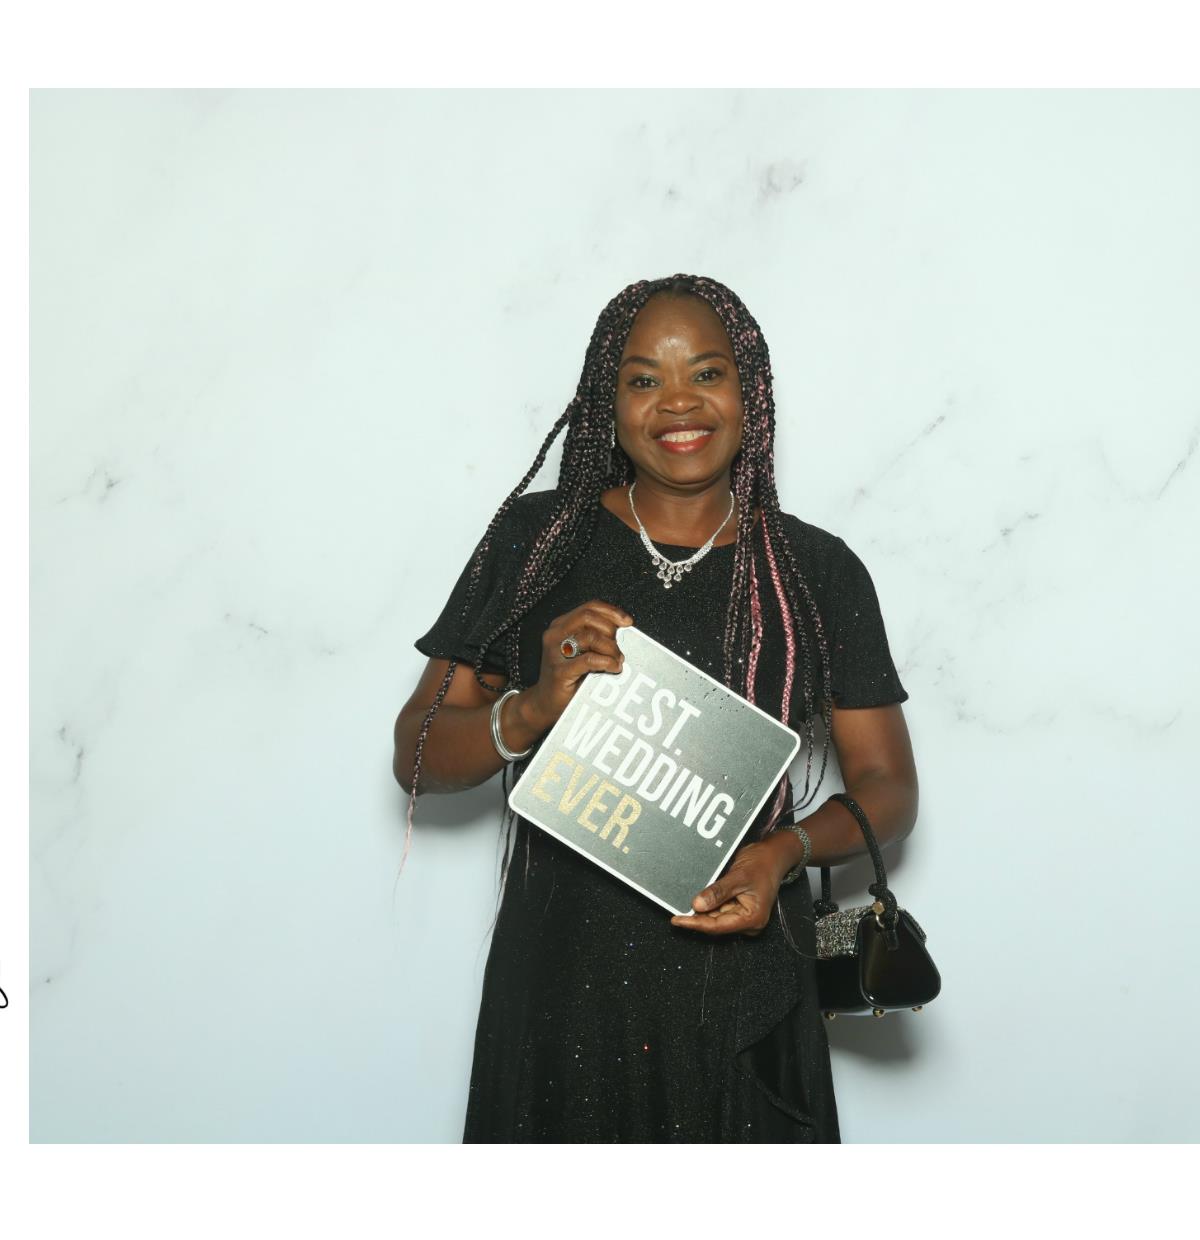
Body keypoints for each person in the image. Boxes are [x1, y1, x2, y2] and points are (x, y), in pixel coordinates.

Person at [392, 273, 919, 1142]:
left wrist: (782, 853)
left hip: (748, 993)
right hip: (562, 988)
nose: (678, 402)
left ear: (750, 392)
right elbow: (416, 750)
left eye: (707, 373)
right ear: (610, 402)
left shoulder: (815, 571)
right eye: (643, 379)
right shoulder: (537, 543)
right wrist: (530, 709)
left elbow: (888, 788)